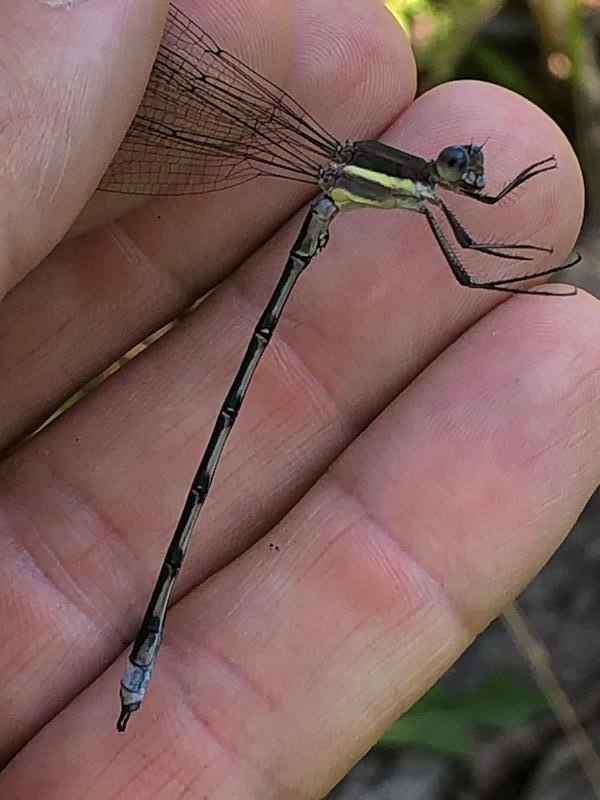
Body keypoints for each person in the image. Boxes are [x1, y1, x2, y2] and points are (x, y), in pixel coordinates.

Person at [0, 0, 596, 797]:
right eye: (459, 170)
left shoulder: (424, 189)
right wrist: (523, 266)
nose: (464, 178)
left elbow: (474, 227)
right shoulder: (418, 191)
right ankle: (146, 658)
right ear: (438, 171)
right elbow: (471, 262)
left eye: (464, 172)